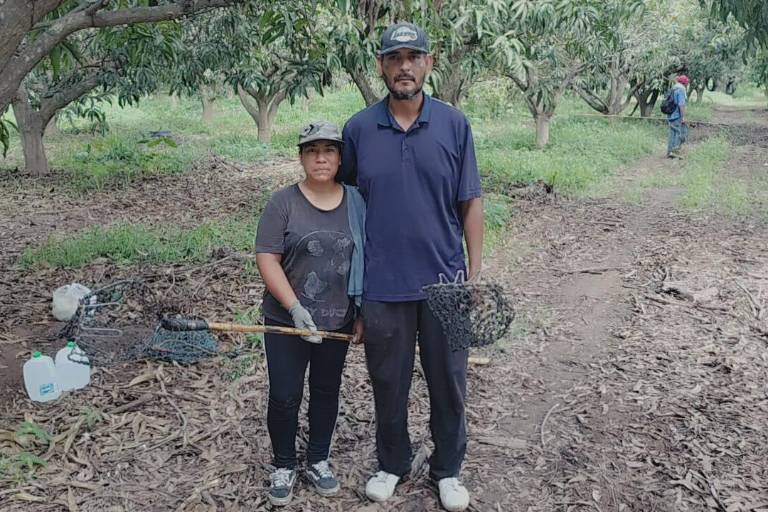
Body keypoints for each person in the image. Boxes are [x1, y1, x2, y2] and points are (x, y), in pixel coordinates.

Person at [340, 22, 483, 512]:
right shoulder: (359, 129)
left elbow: (470, 201)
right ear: (381, 65)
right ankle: (392, 463)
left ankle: (447, 470)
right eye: (394, 57)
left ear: (428, 63)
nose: (404, 65)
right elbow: (350, 205)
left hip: (445, 281)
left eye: (413, 56)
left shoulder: (453, 125)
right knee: (387, 380)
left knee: (449, 379)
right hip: (383, 283)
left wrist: (475, 274)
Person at [255, 121, 365, 507]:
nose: (321, 157)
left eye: (329, 150)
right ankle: (284, 463)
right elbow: (267, 258)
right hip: (287, 322)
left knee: (325, 390)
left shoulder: (356, 201)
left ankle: (318, 459)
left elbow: (369, 257)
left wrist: (362, 312)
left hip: (337, 319)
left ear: (340, 157)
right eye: (312, 150)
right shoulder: (282, 203)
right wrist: (294, 307)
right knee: (285, 394)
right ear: (301, 157)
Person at [667, 74, 689, 158]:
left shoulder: (674, 88)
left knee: (672, 133)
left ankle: (670, 152)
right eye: (686, 82)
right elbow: (681, 104)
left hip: (670, 114)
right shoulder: (681, 90)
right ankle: (675, 152)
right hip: (677, 114)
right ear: (684, 83)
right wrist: (683, 117)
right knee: (679, 132)